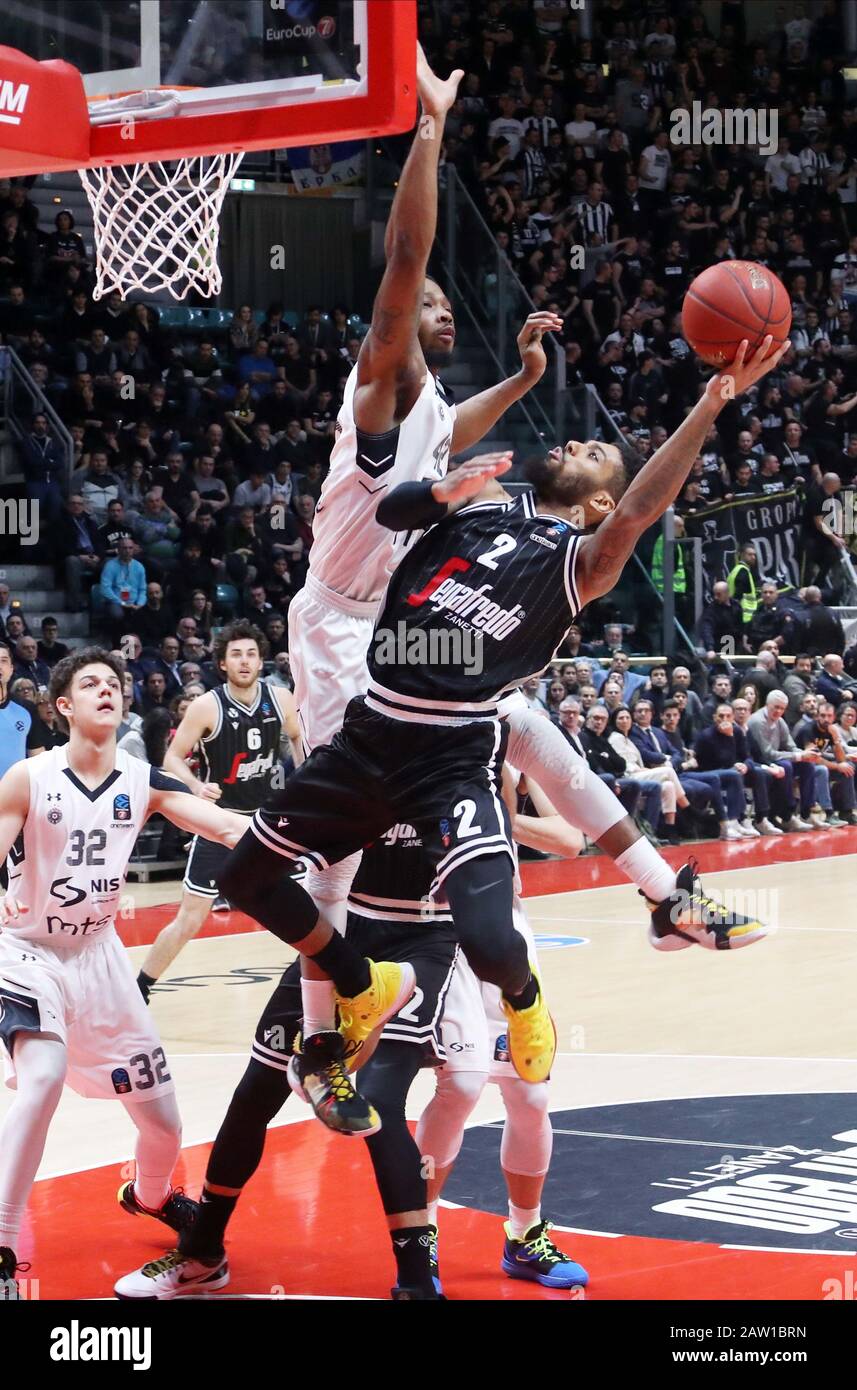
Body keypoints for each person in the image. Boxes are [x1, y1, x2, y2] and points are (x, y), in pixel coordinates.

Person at [279, 48, 565, 1124]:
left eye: (444, 304)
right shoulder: (378, 381)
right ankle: (325, 1029)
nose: (436, 308)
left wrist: (526, 380)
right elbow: (405, 255)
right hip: (338, 623)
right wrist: (430, 129)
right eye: (426, 305)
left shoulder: (431, 403)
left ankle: (469, 952)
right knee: (338, 830)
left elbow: (452, 434)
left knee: (503, 726)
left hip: (396, 625)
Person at [115, 766, 590, 1302]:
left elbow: (571, 836)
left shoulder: (488, 732)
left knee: (435, 1093)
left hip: (440, 937)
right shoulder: (358, 738)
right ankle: (203, 1251)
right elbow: (269, 847)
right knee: (259, 1093)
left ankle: (445, 1262)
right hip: (341, 933)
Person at [0, 648, 253, 1298]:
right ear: (63, 707)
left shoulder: (142, 781)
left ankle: (152, 1195)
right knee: (45, 1076)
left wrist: (322, 830)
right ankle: (2, 1238)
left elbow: (226, 826)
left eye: (113, 683)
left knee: (164, 1124)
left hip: (101, 958)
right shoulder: (29, 779)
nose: (106, 691)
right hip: (30, 953)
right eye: (90, 684)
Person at [135, 622, 302, 999]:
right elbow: (172, 757)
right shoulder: (207, 705)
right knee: (190, 918)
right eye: (236, 655)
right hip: (218, 822)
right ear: (223, 664)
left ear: (261, 662)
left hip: (268, 821)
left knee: (312, 904)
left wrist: (305, 779)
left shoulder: (281, 699)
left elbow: (298, 738)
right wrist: (194, 787)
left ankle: (329, 981)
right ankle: (140, 986)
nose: (245, 662)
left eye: (251, 654)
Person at [747, 690, 819, 831]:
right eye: (776, 707)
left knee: (807, 765)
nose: (779, 711)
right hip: (761, 762)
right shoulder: (757, 721)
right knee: (787, 766)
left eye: (782, 708)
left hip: (776, 760)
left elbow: (790, 745)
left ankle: (806, 813)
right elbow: (766, 754)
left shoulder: (780, 721)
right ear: (768, 704)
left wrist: (806, 754)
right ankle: (787, 814)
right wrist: (798, 756)